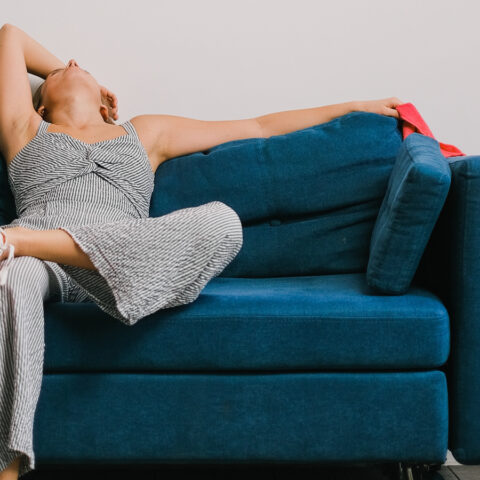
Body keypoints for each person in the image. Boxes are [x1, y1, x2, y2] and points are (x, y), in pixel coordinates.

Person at [0, 22, 403, 480]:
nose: (73, 64)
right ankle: (7, 469)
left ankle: (20, 239)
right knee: (12, 278)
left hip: (125, 263)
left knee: (222, 223)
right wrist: (67, 70)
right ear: (39, 101)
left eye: (84, 66)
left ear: (107, 100)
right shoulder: (23, 126)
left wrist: (354, 107)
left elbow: (259, 127)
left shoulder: (146, 133)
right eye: (58, 71)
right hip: (32, 264)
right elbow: (9, 34)